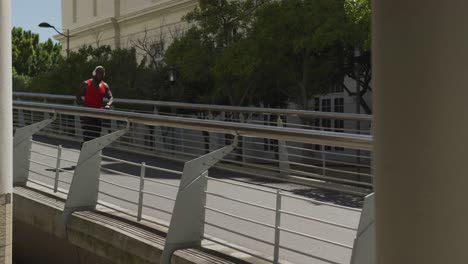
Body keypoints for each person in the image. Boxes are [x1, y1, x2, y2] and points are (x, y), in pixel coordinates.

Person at [76, 66, 114, 145]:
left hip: (98, 115)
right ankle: (84, 154)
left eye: (102, 73)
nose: (100, 74)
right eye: (98, 72)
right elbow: (78, 96)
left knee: (96, 137)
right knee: (88, 137)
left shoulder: (105, 85)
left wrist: (108, 105)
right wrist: (85, 104)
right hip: (87, 115)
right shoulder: (86, 84)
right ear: (94, 73)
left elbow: (111, 97)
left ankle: (91, 155)